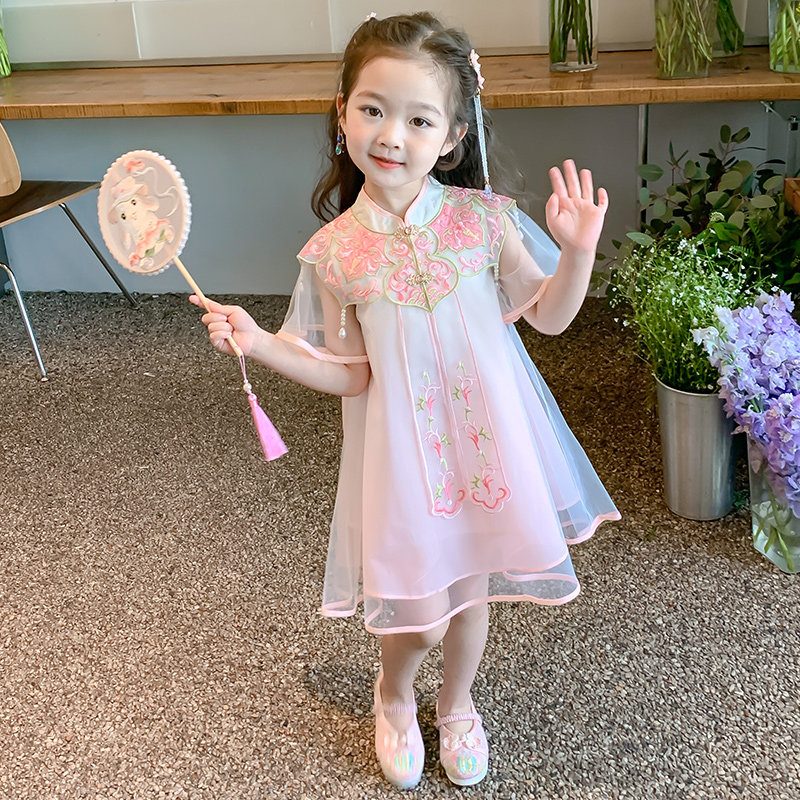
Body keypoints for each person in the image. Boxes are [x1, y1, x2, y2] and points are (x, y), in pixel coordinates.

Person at [191, 11, 620, 790]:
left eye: (419, 119)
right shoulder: (334, 253)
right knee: (419, 618)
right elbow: (350, 374)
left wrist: (579, 252)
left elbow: (552, 317)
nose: (392, 135)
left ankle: (457, 703)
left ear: (452, 136)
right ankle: (394, 695)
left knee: (472, 597)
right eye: (373, 109)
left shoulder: (484, 221)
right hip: (405, 460)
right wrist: (260, 343)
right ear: (343, 113)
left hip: (488, 449)